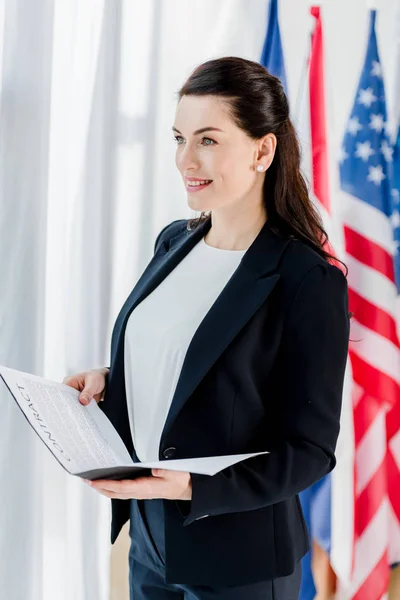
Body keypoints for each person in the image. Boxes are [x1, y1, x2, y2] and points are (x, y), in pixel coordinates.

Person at [63, 56, 350, 600]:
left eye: (209, 140)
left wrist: (195, 487)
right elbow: (187, 368)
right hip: (151, 536)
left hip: (240, 558)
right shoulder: (174, 242)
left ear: (263, 150)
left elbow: (310, 449)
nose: (185, 160)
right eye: (179, 137)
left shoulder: (306, 279)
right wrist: (110, 379)